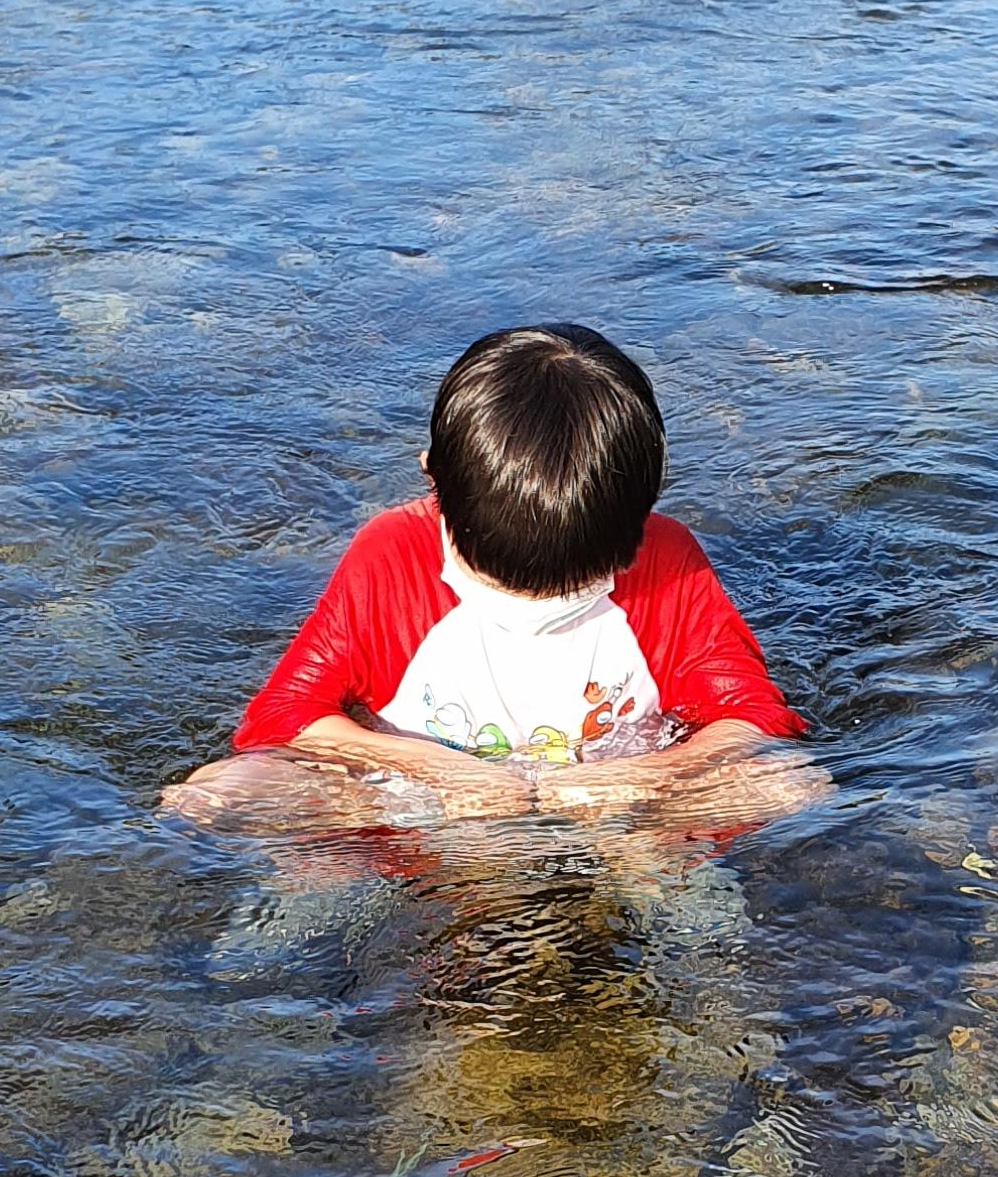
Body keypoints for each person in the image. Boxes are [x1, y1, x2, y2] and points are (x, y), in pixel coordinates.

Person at [161, 324, 814, 830]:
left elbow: (754, 717)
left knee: (790, 785)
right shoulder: (391, 554)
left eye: (570, 585)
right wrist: (429, 768)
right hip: (422, 807)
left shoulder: (666, 562)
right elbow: (278, 721)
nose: (529, 604)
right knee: (218, 791)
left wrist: (655, 777)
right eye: (498, 578)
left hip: (618, 812)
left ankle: (668, 914)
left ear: (638, 523)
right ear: (433, 485)